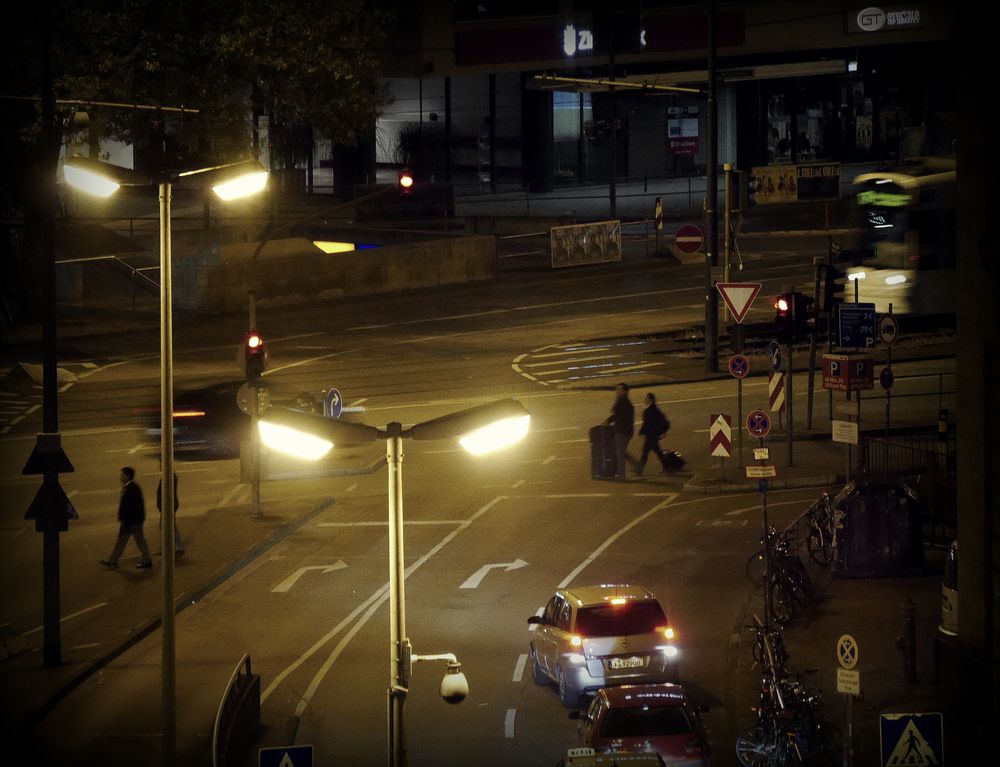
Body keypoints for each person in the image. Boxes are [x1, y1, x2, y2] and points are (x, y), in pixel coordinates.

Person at [101, 466, 153, 569]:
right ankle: (113, 561)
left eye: (123, 474)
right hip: (130, 521)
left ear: (128, 476)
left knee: (138, 541)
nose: (120, 476)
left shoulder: (133, 488)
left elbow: (133, 506)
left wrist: (125, 519)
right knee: (123, 541)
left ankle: (147, 561)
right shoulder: (130, 487)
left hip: (133, 522)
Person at [604, 382, 635, 481]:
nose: (617, 392)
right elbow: (617, 415)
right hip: (625, 431)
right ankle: (636, 465)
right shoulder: (623, 401)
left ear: (624, 391)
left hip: (622, 431)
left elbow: (622, 417)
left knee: (620, 453)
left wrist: (613, 426)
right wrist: (608, 421)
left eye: (619, 390)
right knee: (620, 451)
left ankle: (622, 475)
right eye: (616, 390)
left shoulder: (622, 402)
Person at [636, 392, 671, 475]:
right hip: (653, 435)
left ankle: (639, 471)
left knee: (645, 453)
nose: (645, 400)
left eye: (647, 399)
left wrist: (641, 432)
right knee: (657, 451)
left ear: (651, 400)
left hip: (651, 435)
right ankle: (666, 466)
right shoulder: (653, 409)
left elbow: (647, 423)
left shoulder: (651, 410)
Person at [156, 463, 186, 557]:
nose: (159, 467)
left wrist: (164, 505)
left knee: (167, 526)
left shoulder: (169, 476)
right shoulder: (169, 475)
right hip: (167, 505)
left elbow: (167, 491)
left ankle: (175, 547)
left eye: (161, 464)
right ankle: (173, 547)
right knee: (169, 526)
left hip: (168, 506)